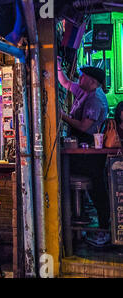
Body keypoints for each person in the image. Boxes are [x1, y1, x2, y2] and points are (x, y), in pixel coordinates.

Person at [58, 58, 111, 246]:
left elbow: (84, 126)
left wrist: (62, 116)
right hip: (82, 149)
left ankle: (104, 229)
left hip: (90, 153)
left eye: (83, 77)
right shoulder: (85, 91)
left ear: (92, 82)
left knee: (97, 189)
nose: (79, 79)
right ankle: (76, 218)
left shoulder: (96, 99)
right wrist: (57, 63)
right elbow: (64, 82)